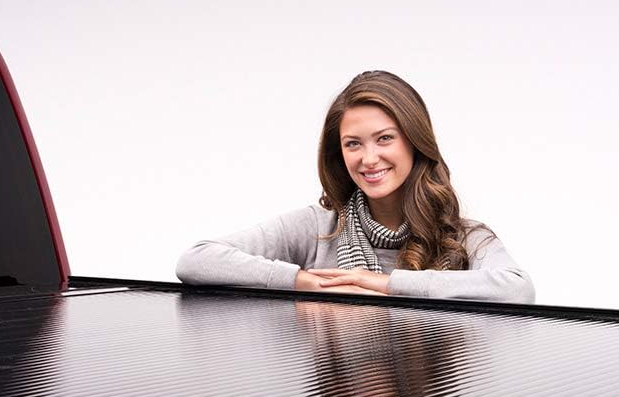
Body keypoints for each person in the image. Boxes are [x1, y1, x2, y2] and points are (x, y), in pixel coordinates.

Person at [175, 70, 534, 302]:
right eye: (353, 144)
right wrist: (303, 281)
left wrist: (386, 284)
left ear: (414, 142)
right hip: (339, 385)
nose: (369, 158)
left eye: (385, 138)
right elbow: (196, 260)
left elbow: (518, 289)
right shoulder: (317, 228)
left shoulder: (465, 237)